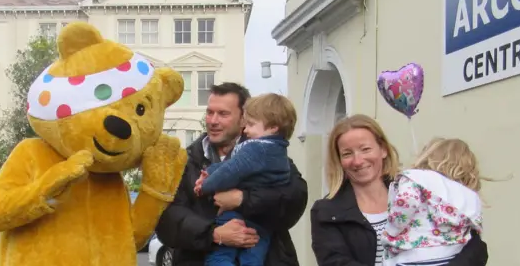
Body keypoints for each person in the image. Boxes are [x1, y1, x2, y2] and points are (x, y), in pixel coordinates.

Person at [155, 83, 308, 266]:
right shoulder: (183, 161)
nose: (212, 120)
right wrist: (213, 233)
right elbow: (166, 217)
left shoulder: (268, 153)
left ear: (244, 118)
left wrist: (243, 199)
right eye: (210, 112)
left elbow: (295, 198)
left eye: (223, 114)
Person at [310, 114, 488, 266]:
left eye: (365, 149)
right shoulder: (327, 211)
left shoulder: (417, 190)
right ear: (339, 160)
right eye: (347, 153)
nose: (357, 161)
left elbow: (475, 247)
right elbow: (335, 263)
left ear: (383, 150)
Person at [194, 93, 297, 266]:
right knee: (252, 259)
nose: (245, 129)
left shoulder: (255, 149)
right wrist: (210, 172)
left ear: (272, 127)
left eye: (223, 113)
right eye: (209, 112)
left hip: (237, 216)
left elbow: (231, 170)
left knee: (219, 257)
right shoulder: (279, 153)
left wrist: (206, 185)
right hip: (264, 224)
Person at [382, 138, 485, 266]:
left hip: (413, 257)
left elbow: (407, 201)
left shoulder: (415, 178)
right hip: (450, 256)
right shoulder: (469, 196)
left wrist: (392, 229)